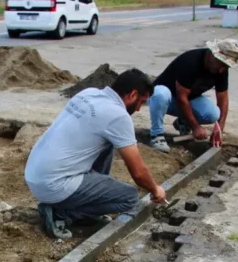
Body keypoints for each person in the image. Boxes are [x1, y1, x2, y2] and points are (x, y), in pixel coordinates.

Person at [24, 68, 167, 240]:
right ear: (133, 94)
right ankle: (62, 213)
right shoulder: (118, 116)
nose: (138, 109)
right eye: (141, 102)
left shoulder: (89, 93)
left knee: (107, 144)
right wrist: (155, 189)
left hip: (34, 173)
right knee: (130, 198)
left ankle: (85, 209)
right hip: (54, 184)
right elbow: (138, 173)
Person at [146, 39, 238, 153]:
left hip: (187, 99)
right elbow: (181, 98)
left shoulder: (221, 69)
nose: (222, 69)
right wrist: (195, 127)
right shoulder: (190, 61)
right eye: (222, 64)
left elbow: (223, 97)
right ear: (212, 55)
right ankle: (156, 135)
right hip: (164, 100)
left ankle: (183, 122)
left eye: (226, 66)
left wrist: (219, 129)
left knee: (213, 114)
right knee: (160, 93)